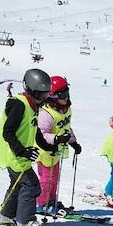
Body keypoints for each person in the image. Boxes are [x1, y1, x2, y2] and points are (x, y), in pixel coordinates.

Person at [0, 68, 57, 226]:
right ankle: (25, 221)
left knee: (18, 185)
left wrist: (49, 146)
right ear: (30, 90)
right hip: (14, 155)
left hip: (19, 155)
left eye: (45, 95)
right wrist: (22, 151)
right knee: (31, 185)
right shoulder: (19, 104)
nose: (43, 98)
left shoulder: (32, 106)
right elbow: (8, 132)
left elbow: (34, 131)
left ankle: (6, 216)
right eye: (40, 94)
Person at [35, 75, 81, 215]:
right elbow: (41, 133)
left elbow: (66, 127)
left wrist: (73, 142)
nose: (66, 97)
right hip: (45, 151)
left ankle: (51, 200)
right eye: (63, 94)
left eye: (67, 93)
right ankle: (42, 204)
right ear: (53, 96)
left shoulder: (65, 109)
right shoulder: (46, 113)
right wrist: (57, 138)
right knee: (46, 179)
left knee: (54, 177)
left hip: (56, 151)